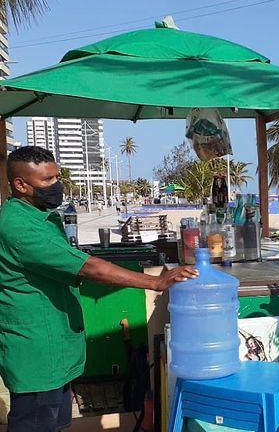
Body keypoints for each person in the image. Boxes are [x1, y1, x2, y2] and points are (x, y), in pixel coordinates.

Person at [0, 146, 199, 432]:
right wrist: (155, 282)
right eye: (47, 181)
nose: (56, 185)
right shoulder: (19, 227)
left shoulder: (40, 216)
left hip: (56, 349)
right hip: (37, 353)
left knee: (54, 424)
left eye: (57, 177)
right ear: (20, 185)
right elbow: (88, 267)